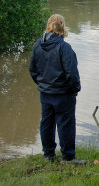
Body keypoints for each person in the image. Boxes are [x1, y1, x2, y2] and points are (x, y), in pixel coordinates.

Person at [29, 14, 85, 164]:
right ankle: (68, 157)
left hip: (46, 93)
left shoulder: (37, 45)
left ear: (49, 25)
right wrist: (75, 89)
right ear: (62, 26)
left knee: (46, 123)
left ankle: (48, 155)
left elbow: (33, 70)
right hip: (63, 93)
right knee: (66, 123)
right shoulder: (64, 47)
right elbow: (72, 74)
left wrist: (43, 84)